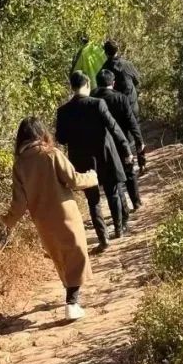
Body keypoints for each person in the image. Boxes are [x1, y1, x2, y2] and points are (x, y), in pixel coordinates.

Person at [2, 117, 98, 321]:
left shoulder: (20, 164)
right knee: (76, 255)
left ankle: (71, 297)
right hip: (65, 214)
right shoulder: (51, 154)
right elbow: (74, 180)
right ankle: (72, 303)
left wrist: (6, 221)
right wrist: (92, 177)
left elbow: (19, 203)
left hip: (43, 221)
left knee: (61, 257)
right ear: (41, 133)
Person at [55, 69, 133, 249]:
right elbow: (113, 127)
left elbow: (61, 138)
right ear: (88, 84)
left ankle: (103, 238)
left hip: (81, 160)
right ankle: (119, 229)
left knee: (93, 200)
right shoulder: (98, 104)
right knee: (112, 192)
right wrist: (126, 149)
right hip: (104, 154)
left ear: (72, 87)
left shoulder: (63, 111)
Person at [94, 67, 143, 215]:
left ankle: (123, 210)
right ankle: (136, 202)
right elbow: (131, 121)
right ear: (113, 83)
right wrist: (139, 140)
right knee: (129, 172)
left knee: (113, 178)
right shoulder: (120, 98)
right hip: (124, 141)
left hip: (104, 144)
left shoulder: (93, 99)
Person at [102, 39, 146, 173]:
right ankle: (142, 163)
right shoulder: (127, 65)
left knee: (121, 136)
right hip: (132, 105)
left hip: (116, 108)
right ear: (118, 49)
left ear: (105, 52)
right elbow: (137, 81)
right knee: (137, 132)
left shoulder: (104, 69)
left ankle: (127, 166)